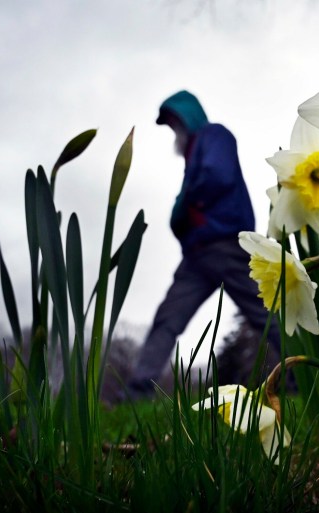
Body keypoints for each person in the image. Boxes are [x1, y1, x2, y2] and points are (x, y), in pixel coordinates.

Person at [125, 90, 281, 399]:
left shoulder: (214, 136)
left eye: (174, 123)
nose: (174, 131)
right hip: (196, 256)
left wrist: (184, 207)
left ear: (188, 116)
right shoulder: (191, 154)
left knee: (264, 314)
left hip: (226, 245)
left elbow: (217, 177)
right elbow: (186, 207)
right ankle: (139, 390)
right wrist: (182, 212)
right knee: (168, 318)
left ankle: (310, 372)